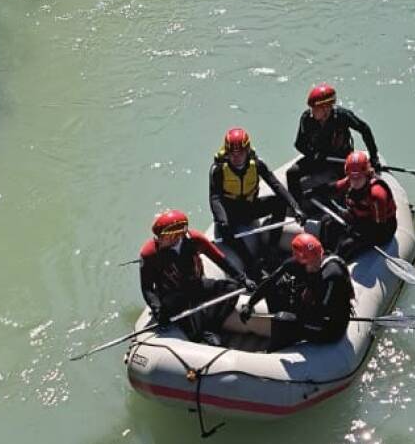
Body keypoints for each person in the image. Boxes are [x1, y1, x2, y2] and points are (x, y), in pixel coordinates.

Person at [139, 209, 257, 345]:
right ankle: (197, 332)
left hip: (196, 284)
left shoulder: (195, 239)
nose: (157, 240)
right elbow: (147, 288)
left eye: (161, 237)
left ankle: (211, 328)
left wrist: (243, 279)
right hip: (172, 295)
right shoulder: (149, 253)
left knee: (232, 288)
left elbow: (220, 259)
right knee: (193, 334)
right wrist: (158, 310)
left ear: (175, 235)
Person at [224, 233, 354, 351]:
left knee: (283, 320)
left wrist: (293, 315)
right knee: (278, 287)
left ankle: (274, 351)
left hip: (328, 324)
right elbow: (270, 282)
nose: (316, 263)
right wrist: (250, 304)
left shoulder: (332, 276)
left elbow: (321, 312)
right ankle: (284, 331)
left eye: (317, 258)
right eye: (312, 261)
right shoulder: (296, 264)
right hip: (311, 307)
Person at [208, 127, 304, 270]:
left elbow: (276, 185)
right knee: (226, 230)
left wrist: (295, 207)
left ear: (247, 151)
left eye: (240, 153)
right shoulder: (218, 170)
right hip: (230, 213)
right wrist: (222, 219)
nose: (236, 157)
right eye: (232, 154)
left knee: (279, 204)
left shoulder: (257, 164)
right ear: (227, 153)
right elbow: (215, 198)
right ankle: (250, 263)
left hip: (249, 207)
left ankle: (271, 248)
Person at [286, 83, 382, 206]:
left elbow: (365, 130)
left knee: (350, 183)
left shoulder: (342, 116)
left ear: (326, 108)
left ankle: (348, 206)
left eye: (315, 108)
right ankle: (296, 206)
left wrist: (374, 157)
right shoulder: (307, 119)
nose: (312, 112)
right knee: (292, 173)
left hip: (340, 159)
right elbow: (299, 144)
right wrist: (313, 154)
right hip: (319, 157)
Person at [314, 151, 398, 261]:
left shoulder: (377, 195)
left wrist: (357, 230)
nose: (355, 181)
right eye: (352, 177)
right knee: (327, 221)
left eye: (358, 178)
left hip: (382, 230)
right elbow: (334, 188)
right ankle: (322, 254)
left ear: (366, 174)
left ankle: (336, 263)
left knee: (346, 246)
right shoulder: (351, 180)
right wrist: (314, 192)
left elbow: (379, 227)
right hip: (360, 220)